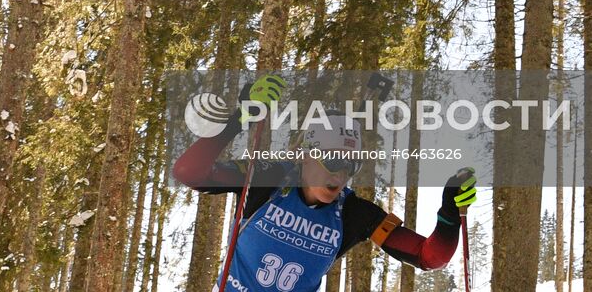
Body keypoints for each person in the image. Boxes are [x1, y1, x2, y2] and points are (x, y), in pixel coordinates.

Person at [172, 75, 477, 292]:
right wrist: (240, 117)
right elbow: (190, 172)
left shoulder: (353, 213)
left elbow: (428, 256)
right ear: (306, 156)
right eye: (332, 162)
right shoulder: (270, 179)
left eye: (350, 166)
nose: (340, 175)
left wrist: (449, 211)